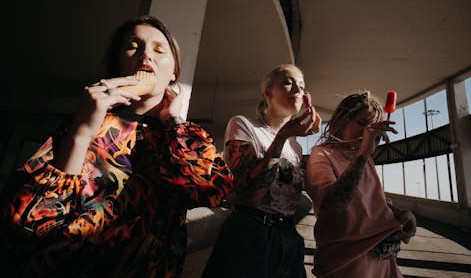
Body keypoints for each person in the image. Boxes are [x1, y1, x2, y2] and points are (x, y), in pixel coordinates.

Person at [0, 15, 233, 278]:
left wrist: (173, 120)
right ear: (118, 64)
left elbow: (212, 190)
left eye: (159, 49)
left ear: (173, 72)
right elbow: (28, 219)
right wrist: (82, 131)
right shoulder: (88, 122)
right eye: (133, 46)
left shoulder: (182, 135)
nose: (146, 54)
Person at [202, 63, 321, 278]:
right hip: (250, 235)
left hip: (287, 237)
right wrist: (281, 137)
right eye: (288, 82)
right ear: (268, 91)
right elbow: (250, 196)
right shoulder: (244, 125)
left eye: (302, 86)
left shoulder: (295, 146)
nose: (297, 90)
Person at [305, 92, 417, 278]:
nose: (368, 132)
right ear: (341, 121)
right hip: (346, 265)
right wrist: (364, 153)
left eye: (373, 127)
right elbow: (333, 204)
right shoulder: (322, 155)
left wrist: (400, 213)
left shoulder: (366, 160)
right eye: (362, 124)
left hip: (382, 264)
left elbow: (371, 201)